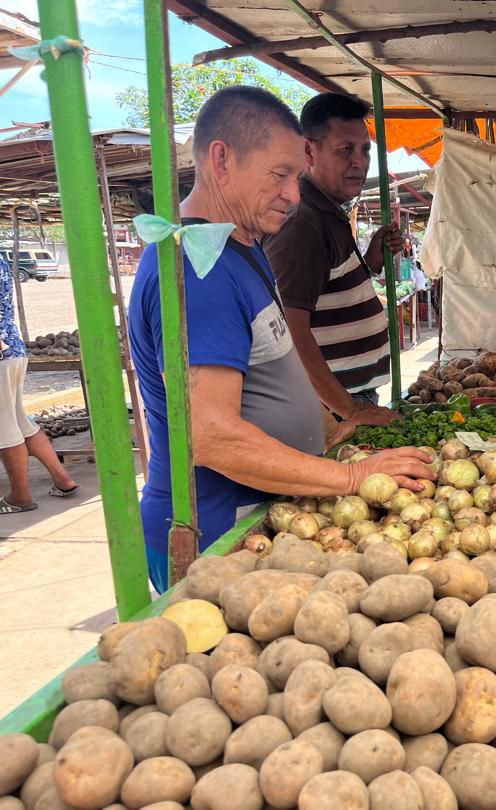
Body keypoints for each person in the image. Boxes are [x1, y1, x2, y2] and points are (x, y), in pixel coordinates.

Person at [128, 87, 432, 592]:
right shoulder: (197, 269)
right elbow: (210, 435)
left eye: (297, 174)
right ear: (221, 159)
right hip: (216, 531)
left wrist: (330, 431)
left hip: (258, 512)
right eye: (280, 174)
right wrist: (353, 479)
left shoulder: (237, 248)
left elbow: (273, 367)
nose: (294, 193)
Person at [264, 92, 403, 432]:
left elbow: (325, 288)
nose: (360, 161)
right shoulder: (301, 221)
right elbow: (289, 331)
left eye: (365, 149)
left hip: (346, 399)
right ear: (308, 151)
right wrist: (348, 409)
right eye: (345, 150)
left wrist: (370, 260)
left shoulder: (327, 210)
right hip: (328, 411)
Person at [0, 251, 78, 513]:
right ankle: (63, 480)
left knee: (5, 428)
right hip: (13, 349)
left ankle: (19, 497)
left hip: (1, 352)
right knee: (20, 421)